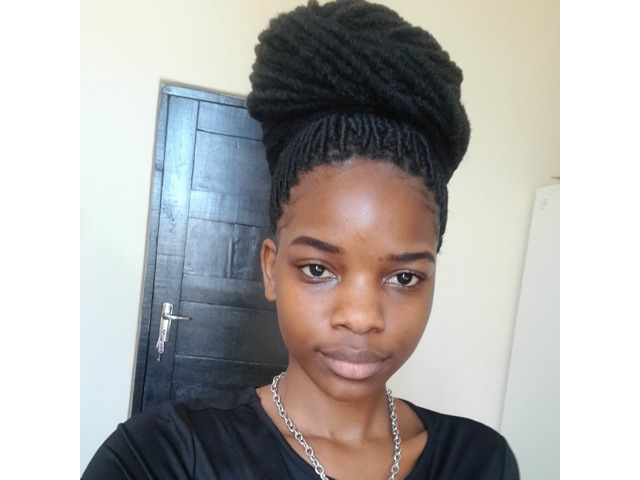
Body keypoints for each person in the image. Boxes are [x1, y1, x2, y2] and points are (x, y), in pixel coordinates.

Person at [82, 0, 519, 478]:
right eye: (318, 269)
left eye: (404, 277)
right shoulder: (160, 456)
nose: (361, 317)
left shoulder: (481, 461)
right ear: (271, 268)